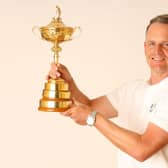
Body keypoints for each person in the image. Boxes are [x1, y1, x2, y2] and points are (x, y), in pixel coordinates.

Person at [48, 14, 168, 168]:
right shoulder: (132, 90)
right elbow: (89, 106)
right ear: (145, 47)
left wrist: (93, 118)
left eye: (166, 44)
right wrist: (69, 83)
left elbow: (142, 149)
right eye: (152, 43)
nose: (157, 51)